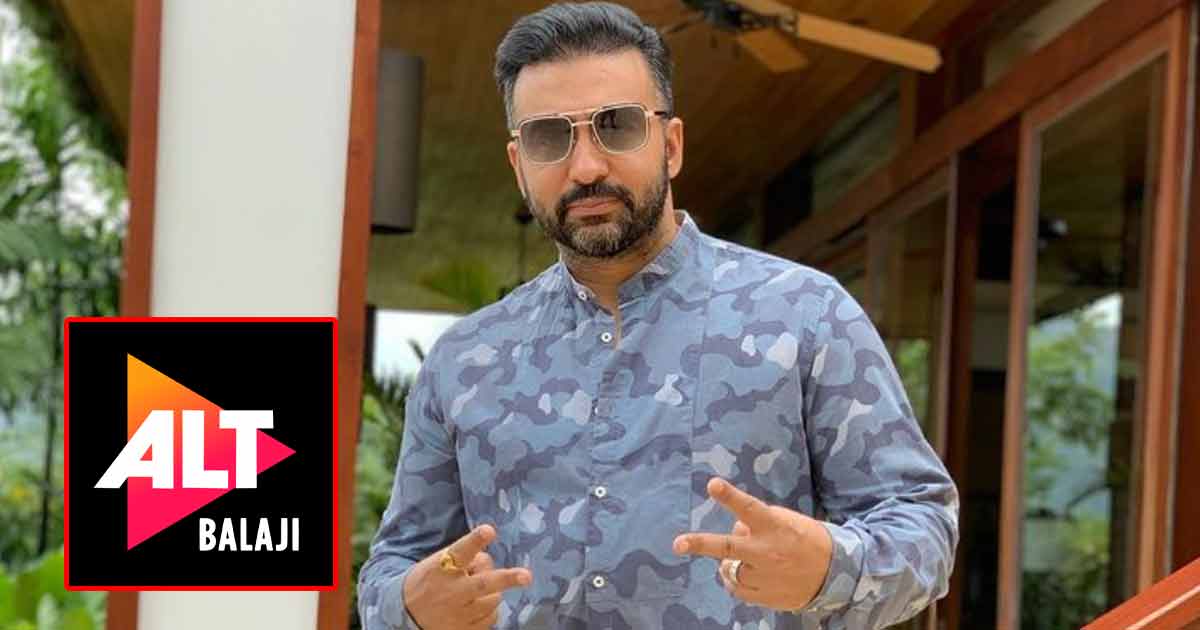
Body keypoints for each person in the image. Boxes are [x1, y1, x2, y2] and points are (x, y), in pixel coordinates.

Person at [357, 3, 958, 628]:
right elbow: (389, 571)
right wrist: (410, 609)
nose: (586, 167)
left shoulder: (805, 315)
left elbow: (923, 526)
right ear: (519, 165)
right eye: (548, 137)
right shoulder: (464, 361)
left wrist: (832, 570)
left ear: (670, 146)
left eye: (616, 126)